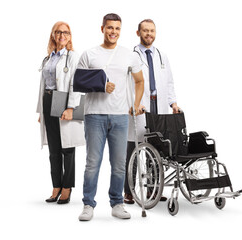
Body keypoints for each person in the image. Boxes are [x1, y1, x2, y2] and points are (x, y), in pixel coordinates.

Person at [77, 13, 145, 221]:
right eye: (109, 28)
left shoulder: (128, 55)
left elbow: (139, 81)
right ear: (102, 28)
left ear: (120, 30)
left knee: (118, 164)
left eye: (117, 28)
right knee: (92, 163)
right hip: (94, 115)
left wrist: (134, 105)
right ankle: (88, 204)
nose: (113, 32)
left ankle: (117, 203)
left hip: (119, 116)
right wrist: (100, 85)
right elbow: (78, 83)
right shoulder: (89, 54)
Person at [124, 19, 182, 204]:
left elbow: (169, 82)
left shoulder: (161, 56)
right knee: (133, 149)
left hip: (159, 107)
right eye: (145, 31)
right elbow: (126, 84)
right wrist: (134, 103)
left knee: (156, 151)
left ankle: (153, 190)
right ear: (138, 33)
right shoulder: (130, 56)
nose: (149, 34)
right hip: (139, 109)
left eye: (152, 31)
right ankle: (129, 191)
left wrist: (173, 103)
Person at [36, 21, 85, 204]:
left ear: (69, 36)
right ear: (53, 35)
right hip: (49, 100)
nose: (61, 35)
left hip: (63, 100)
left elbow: (76, 84)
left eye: (65, 32)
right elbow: (43, 86)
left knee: (67, 147)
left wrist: (71, 107)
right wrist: (41, 110)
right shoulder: (48, 58)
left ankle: (67, 187)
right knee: (54, 148)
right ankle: (56, 185)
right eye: (58, 32)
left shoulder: (72, 57)